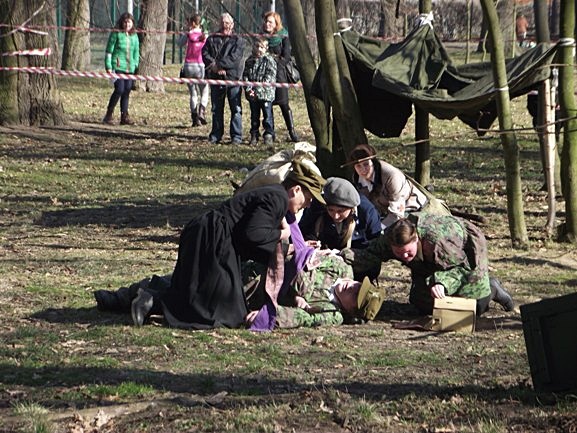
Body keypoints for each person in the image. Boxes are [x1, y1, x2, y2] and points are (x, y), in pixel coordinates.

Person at [341, 213, 515, 317]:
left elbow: (463, 268)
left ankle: (492, 288)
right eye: (399, 254)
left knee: (472, 310)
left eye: (408, 253)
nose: (405, 258)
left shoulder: (438, 243)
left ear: (416, 239)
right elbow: (370, 254)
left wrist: (442, 283)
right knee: (421, 302)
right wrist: (338, 256)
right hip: (428, 259)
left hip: (465, 253)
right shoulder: (390, 239)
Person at [345, 144, 450, 229]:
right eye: (358, 166)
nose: (363, 169)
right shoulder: (357, 179)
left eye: (366, 164)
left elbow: (397, 214)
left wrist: (378, 229)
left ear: (373, 162)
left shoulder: (392, 176)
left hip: (413, 211)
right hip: (384, 213)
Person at [299, 177, 382, 281]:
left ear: (351, 208)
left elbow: (375, 251)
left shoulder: (368, 213)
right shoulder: (317, 206)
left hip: (356, 267)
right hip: (323, 265)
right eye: (331, 210)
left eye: (340, 211)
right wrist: (313, 246)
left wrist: (344, 257)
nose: (336, 216)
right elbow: (303, 232)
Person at [202, 13, 246, 144]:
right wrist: (213, 67)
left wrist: (219, 65)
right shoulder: (212, 38)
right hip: (216, 77)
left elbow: (235, 58)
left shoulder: (239, 40)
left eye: (227, 23)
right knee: (216, 108)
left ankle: (236, 136)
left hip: (233, 78)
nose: (224, 26)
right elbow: (205, 53)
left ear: (232, 25)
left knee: (236, 109)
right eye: (222, 23)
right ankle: (216, 134)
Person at [262, 11, 299, 142]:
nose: (267, 24)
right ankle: (270, 133)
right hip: (265, 76)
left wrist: (274, 62)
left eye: (270, 22)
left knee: (284, 104)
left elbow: (286, 56)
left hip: (280, 75)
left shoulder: (283, 36)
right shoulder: (262, 37)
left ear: (276, 23)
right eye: (266, 21)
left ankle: (292, 132)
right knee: (267, 105)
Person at [103, 12, 140, 126]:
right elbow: (109, 51)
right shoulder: (116, 34)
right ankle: (109, 114)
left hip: (130, 68)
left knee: (127, 90)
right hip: (117, 66)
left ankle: (124, 116)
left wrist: (136, 66)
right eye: (125, 22)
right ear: (121, 22)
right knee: (119, 89)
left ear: (132, 23)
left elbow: (136, 52)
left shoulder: (134, 36)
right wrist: (108, 66)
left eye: (129, 22)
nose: (127, 24)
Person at [243, 37, 277, 146]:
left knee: (267, 116)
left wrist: (257, 90)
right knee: (254, 115)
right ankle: (254, 134)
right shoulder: (249, 61)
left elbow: (269, 77)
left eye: (262, 47)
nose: (259, 49)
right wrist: (249, 89)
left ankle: (268, 134)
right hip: (253, 95)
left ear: (266, 48)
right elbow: (245, 76)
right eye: (257, 46)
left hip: (266, 94)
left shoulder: (269, 61)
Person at [178, 14, 209, 127]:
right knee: (205, 91)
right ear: (200, 23)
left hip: (188, 65)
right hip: (200, 65)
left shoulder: (188, 34)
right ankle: (202, 111)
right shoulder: (204, 35)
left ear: (191, 23)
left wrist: (184, 33)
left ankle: (194, 118)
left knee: (193, 93)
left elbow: (179, 44)